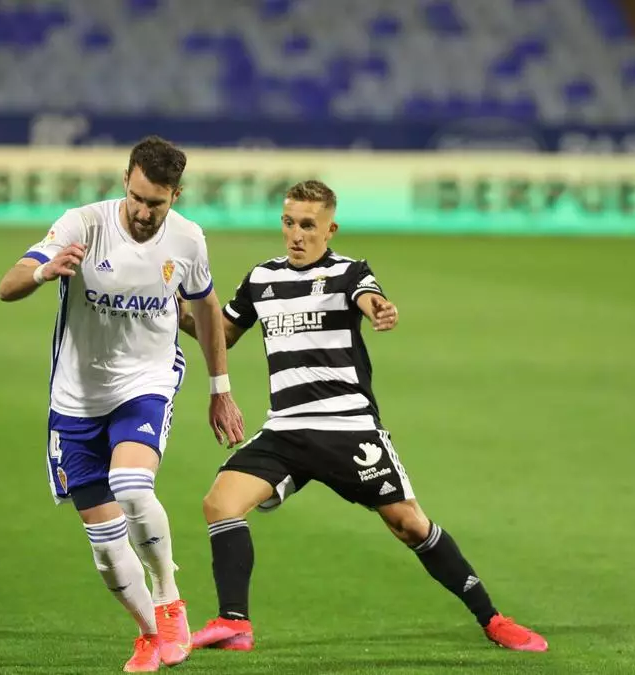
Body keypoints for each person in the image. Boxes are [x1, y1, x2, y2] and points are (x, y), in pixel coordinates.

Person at [176, 179, 549, 654]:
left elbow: (368, 297)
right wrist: (173, 308)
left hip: (347, 428)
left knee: (409, 524)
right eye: (289, 223)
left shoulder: (348, 273)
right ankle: (234, 623)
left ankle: (493, 619)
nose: (296, 234)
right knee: (220, 503)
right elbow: (223, 334)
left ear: (330, 229)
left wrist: (379, 310)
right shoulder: (261, 278)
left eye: (308, 225)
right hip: (285, 429)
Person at [0, 136, 245, 672]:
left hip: (146, 381)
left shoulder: (187, 239)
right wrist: (43, 271)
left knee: (133, 486)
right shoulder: (84, 225)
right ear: (124, 183)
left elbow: (205, 307)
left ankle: (169, 599)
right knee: (107, 548)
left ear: (176, 195)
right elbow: (7, 285)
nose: (143, 212)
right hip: (76, 398)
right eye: (136, 197)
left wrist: (220, 389)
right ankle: (150, 634)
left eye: (156, 202)